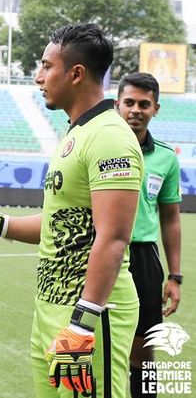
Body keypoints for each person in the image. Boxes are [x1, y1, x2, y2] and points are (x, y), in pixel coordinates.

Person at [0, 23, 143, 398]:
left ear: (76, 74)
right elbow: (60, 223)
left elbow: (112, 239)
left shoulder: (110, 136)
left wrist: (82, 323)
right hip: (51, 308)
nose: (38, 77)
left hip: (90, 315)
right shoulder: (75, 133)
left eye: (47, 66)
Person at [114, 72, 182, 398]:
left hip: (143, 259)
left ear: (156, 108)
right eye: (129, 102)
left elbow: (170, 219)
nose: (136, 110)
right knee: (89, 344)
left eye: (144, 104)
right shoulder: (100, 148)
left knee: (144, 349)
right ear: (117, 105)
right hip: (99, 254)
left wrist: (176, 276)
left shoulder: (167, 158)